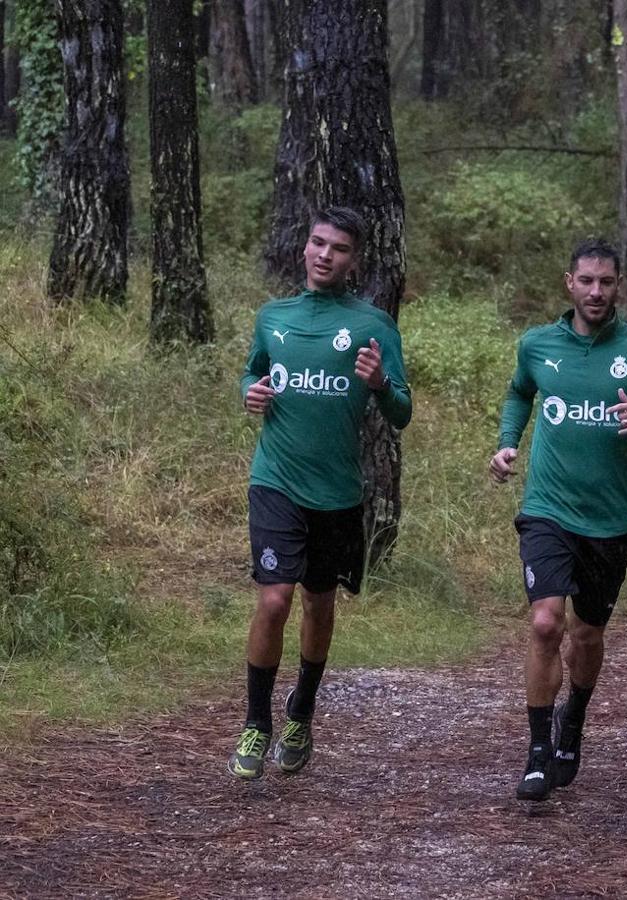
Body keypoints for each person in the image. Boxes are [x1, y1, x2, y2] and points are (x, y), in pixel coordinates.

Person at [490, 239, 627, 802]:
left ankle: (573, 718)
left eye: (606, 283)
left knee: (586, 634)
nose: (596, 292)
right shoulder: (537, 345)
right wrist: (508, 444)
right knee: (544, 624)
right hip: (546, 512)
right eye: (586, 281)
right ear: (569, 283)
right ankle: (536, 753)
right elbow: (518, 395)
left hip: (608, 522)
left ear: (619, 285)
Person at [229, 207, 412, 779]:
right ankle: (256, 722)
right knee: (273, 598)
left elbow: (402, 412)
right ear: (304, 247)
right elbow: (251, 373)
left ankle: (301, 710)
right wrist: (249, 393)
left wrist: (380, 383)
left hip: (336, 492)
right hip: (276, 479)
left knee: (318, 601)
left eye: (337, 248)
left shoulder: (373, 325)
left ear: (353, 260)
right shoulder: (273, 317)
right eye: (317, 242)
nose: (324, 254)